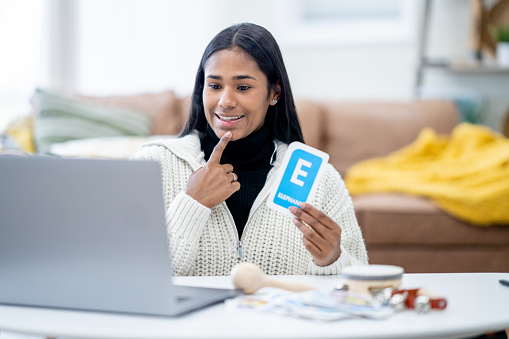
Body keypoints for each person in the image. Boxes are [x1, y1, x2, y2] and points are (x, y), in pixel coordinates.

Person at [131, 23, 368, 276]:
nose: (225, 101)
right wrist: (193, 202)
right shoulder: (153, 164)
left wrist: (331, 261)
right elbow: (132, 276)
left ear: (274, 92)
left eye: (243, 88)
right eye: (214, 86)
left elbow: (359, 283)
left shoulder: (318, 178)